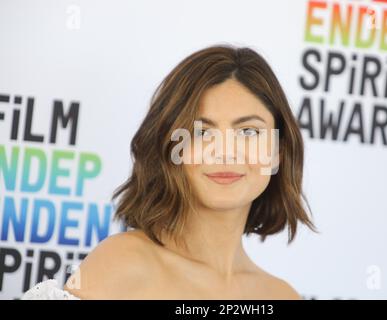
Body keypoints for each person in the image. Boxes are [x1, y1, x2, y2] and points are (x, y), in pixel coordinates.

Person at [22, 44, 315, 300]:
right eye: (201, 132)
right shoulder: (123, 265)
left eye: (248, 131)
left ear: (277, 152)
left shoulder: (282, 295)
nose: (226, 151)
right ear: (170, 147)